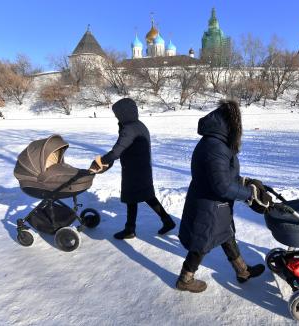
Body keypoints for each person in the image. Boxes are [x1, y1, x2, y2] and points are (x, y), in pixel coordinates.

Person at [176, 99, 272, 293]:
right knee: (201, 243)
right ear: (229, 124)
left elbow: (223, 175)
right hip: (209, 206)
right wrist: (248, 195)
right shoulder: (215, 147)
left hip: (216, 205)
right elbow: (221, 185)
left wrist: (243, 181)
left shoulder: (217, 142)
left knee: (227, 235)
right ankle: (185, 278)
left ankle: (242, 271)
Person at [89, 98, 175, 239]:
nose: (117, 117)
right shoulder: (139, 125)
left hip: (133, 172)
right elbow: (125, 149)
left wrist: (100, 162)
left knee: (131, 199)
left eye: (117, 114)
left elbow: (117, 151)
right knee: (147, 196)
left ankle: (130, 230)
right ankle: (167, 221)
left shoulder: (129, 129)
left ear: (123, 113)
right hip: (142, 169)